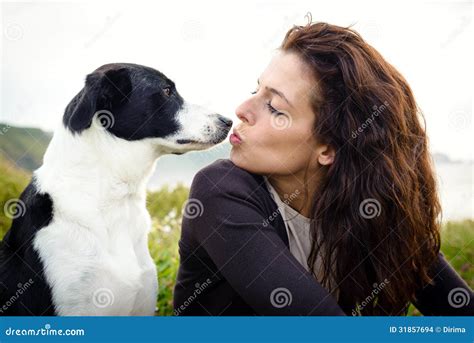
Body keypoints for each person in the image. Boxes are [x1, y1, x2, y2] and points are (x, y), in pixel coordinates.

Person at [173, 20, 474, 316]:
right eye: (256, 90)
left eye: (275, 108)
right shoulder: (221, 192)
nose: (242, 109)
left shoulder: (376, 212)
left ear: (329, 149)